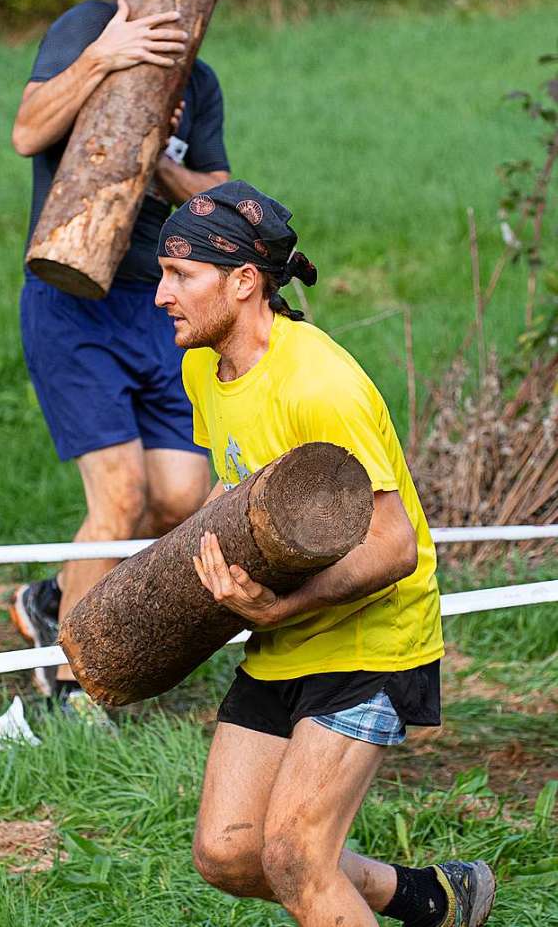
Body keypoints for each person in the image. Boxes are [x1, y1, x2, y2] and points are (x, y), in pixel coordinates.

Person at [153, 180, 496, 927]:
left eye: (180, 275)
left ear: (245, 282)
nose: (160, 295)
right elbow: (236, 483)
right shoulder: (201, 367)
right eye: (162, 273)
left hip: (372, 640)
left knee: (295, 858)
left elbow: (394, 544)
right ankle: (427, 898)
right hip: (286, 637)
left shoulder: (319, 384)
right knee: (228, 851)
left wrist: (277, 604)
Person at [9, 0, 231, 708]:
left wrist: (160, 160)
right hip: (72, 298)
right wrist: (106, 56)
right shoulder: (88, 25)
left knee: (178, 498)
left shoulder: (199, 82)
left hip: (156, 306)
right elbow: (27, 131)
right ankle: (71, 691)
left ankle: (51, 599)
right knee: (120, 497)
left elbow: (216, 197)